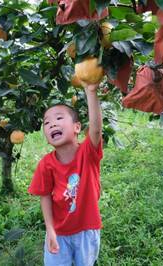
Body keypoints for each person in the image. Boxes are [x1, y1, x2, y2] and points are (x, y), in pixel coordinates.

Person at [28, 82, 103, 266]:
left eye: (59, 118)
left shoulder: (88, 153)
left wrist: (91, 92)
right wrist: (50, 229)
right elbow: (44, 197)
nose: (52, 123)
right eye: (46, 122)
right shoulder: (46, 164)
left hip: (86, 229)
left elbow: (95, 129)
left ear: (77, 127)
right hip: (59, 232)